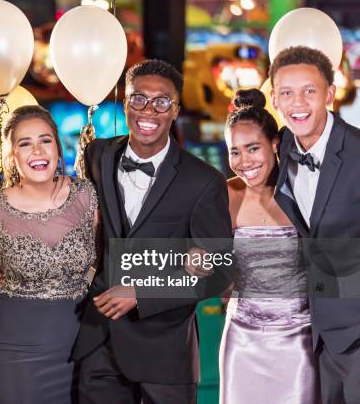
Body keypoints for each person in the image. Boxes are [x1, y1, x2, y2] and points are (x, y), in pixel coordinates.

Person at [73, 59, 234, 404]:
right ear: (125, 102)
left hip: (166, 351)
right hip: (98, 341)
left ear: (175, 110)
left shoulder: (204, 181)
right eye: (138, 99)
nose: (149, 109)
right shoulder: (97, 155)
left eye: (162, 102)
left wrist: (142, 293)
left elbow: (219, 272)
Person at [0, 105, 98, 404]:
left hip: (83, 341)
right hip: (14, 347)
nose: (37, 151)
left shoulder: (88, 195)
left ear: (57, 146)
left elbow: (108, 261)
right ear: (12, 155)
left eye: (45, 140)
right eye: (25, 144)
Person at [271, 46, 360, 403]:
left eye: (309, 90)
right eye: (287, 93)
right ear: (274, 99)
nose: (298, 102)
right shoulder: (284, 145)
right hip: (315, 334)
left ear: (330, 93)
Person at [219, 88, 319, 403]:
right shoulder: (227, 196)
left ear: (275, 144)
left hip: (298, 339)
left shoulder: (304, 192)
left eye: (252, 148)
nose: (244, 162)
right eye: (234, 151)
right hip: (242, 340)